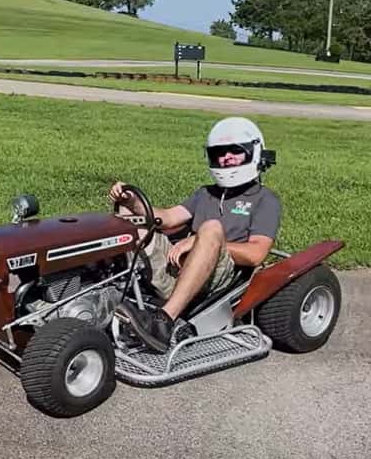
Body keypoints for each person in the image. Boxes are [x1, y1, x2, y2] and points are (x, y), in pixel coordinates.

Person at [109, 117, 282, 353]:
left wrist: (199, 240)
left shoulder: (265, 200)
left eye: (235, 151)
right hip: (177, 267)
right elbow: (166, 218)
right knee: (127, 212)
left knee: (211, 227)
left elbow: (256, 254)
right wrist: (131, 201)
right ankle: (105, 292)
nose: (226, 158)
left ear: (255, 153)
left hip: (217, 277)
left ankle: (163, 323)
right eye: (220, 153)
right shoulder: (205, 193)